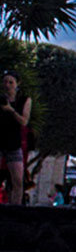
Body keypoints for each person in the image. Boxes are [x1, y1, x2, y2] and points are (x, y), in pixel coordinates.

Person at [0, 71, 31, 205]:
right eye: (5, 82)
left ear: (17, 84)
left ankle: (15, 210)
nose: (7, 85)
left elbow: (24, 121)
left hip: (13, 143)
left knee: (17, 180)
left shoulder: (24, 100)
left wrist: (10, 110)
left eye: (11, 82)